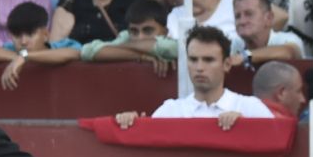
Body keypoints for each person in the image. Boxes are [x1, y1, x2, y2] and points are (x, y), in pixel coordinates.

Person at [115, 25, 276, 125]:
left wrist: (248, 128)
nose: (199, 67)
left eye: (208, 60)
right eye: (193, 59)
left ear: (227, 64)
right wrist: (130, 123)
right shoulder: (170, 111)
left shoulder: (250, 108)